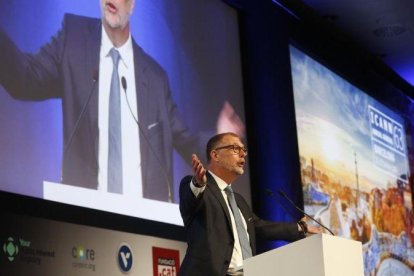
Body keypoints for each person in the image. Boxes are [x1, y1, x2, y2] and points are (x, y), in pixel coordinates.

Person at [0, 0, 243, 202]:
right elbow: (24, 79)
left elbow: (185, 141)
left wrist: (222, 141)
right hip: (84, 217)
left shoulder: (155, 77)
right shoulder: (73, 40)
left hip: (145, 226)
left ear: (133, 4)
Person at [179, 133, 322, 276]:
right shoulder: (198, 188)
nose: (242, 154)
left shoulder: (238, 200)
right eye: (235, 148)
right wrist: (198, 184)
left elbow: (261, 227)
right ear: (215, 155)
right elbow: (190, 199)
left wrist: (299, 227)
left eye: (243, 150)